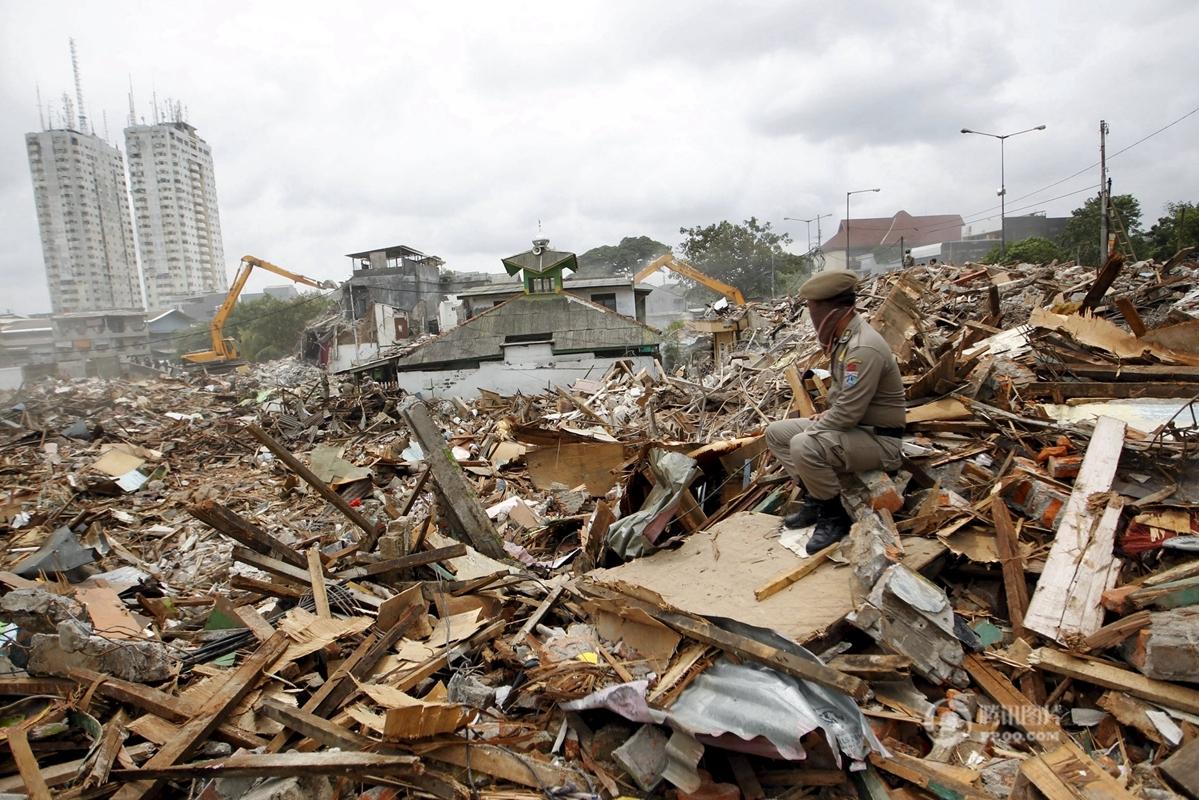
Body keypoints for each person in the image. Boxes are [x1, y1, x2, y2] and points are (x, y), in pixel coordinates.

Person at [765, 270, 906, 553]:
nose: (811, 318)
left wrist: (817, 428)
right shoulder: (844, 339)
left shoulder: (862, 348)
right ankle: (816, 501)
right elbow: (841, 400)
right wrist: (822, 419)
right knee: (777, 433)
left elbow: (846, 416)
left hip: (880, 441)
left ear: (829, 310)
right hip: (857, 431)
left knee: (803, 444)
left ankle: (834, 517)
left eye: (812, 310)